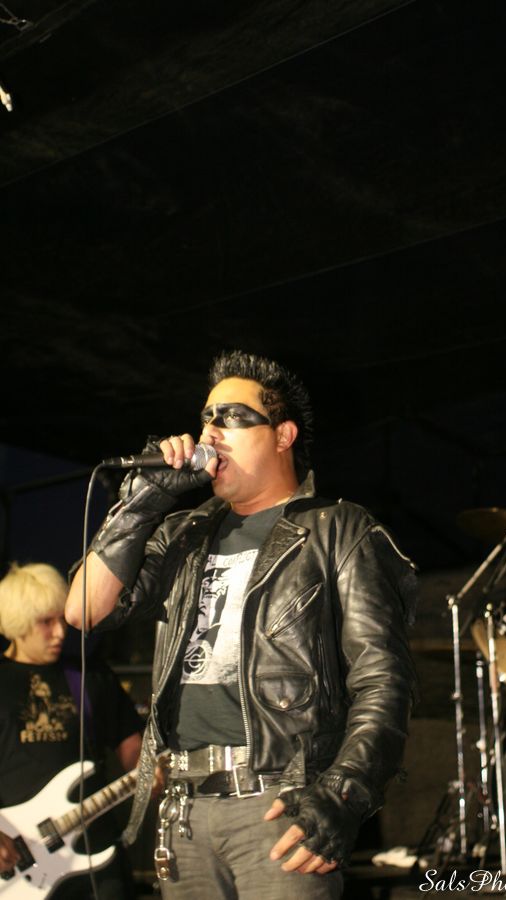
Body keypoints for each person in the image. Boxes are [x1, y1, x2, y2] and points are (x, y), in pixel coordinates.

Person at [66, 349, 418, 900]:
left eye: (232, 416)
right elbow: (85, 610)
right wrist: (142, 502)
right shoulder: (182, 532)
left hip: (278, 806)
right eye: (206, 416)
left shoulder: (337, 530)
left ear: (283, 435)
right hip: (183, 810)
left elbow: (383, 681)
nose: (210, 430)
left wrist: (343, 793)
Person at [0, 561, 144, 899]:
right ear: (18, 623)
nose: (60, 633)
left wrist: (150, 774)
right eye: (45, 622)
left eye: (60, 620)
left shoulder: (89, 675)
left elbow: (133, 750)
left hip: (97, 851)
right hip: (19, 859)